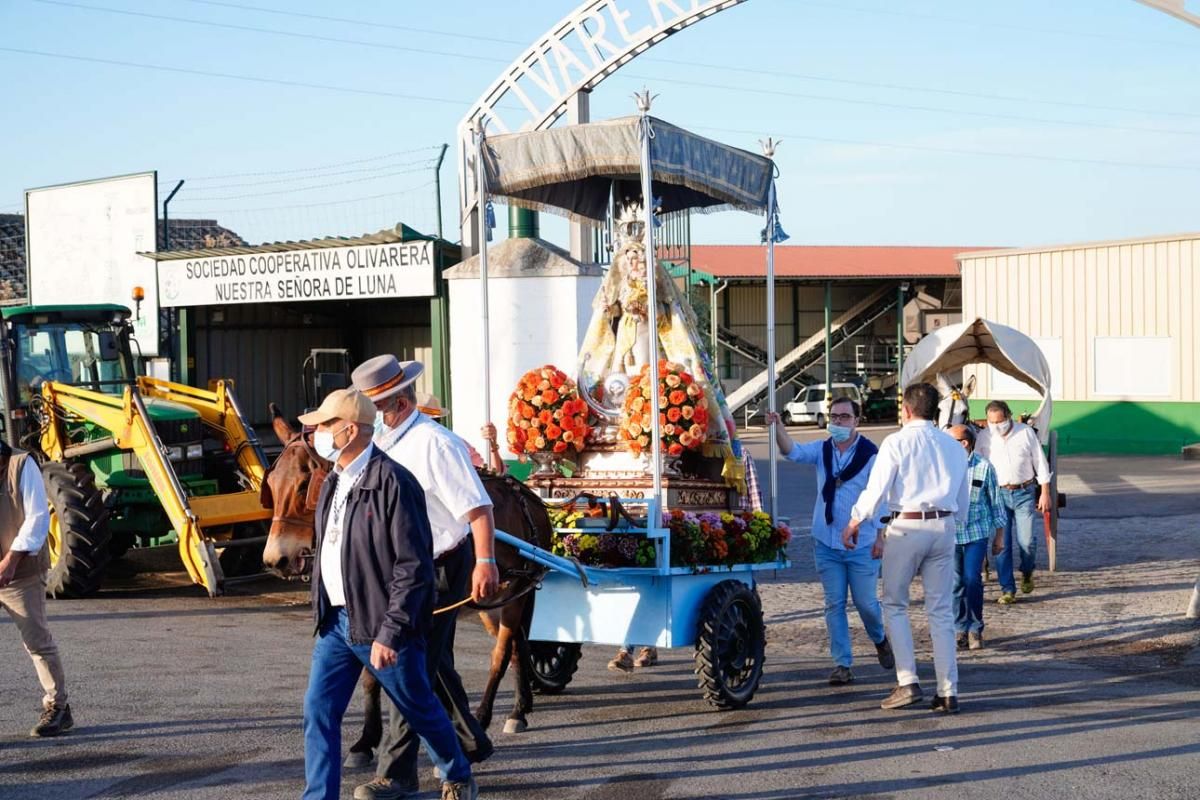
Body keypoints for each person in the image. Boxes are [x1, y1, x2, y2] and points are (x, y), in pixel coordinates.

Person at [298, 389, 476, 800]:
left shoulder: (394, 481)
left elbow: (413, 566)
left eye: (324, 425)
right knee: (318, 712)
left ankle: (457, 772)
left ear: (349, 430)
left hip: (380, 623)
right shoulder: (333, 482)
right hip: (337, 624)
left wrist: (391, 631)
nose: (317, 433)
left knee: (416, 704)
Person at [352, 357, 499, 800]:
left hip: (435, 568)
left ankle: (397, 775)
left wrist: (485, 561)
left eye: (375, 407)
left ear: (398, 403)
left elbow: (478, 508)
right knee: (430, 665)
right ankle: (470, 742)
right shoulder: (378, 441)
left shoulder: (435, 443)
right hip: (394, 572)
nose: (371, 416)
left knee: (406, 669)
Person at [842, 383, 969, 713]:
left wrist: (856, 520)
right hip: (945, 525)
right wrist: (957, 521)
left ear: (907, 409)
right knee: (941, 610)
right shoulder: (953, 445)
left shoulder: (896, 442)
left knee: (895, 604)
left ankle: (908, 681)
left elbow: (877, 488)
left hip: (907, 525)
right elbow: (963, 496)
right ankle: (947, 691)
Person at [767, 398, 895, 686]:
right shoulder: (823, 449)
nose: (839, 422)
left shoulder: (871, 455)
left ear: (857, 420)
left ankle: (879, 638)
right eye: (834, 417)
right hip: (826, 541)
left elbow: (881, 499)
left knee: (865, 603)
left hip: (861, 543)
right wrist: (778, 427)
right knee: (833, 604)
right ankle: (842, 664)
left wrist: (879, 537)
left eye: (845, 417)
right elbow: (793, 452)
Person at [0, 442, 72, 738]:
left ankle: (58, 708)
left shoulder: (22, 465)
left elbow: (37, 518)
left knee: (37, 642)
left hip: (21, 571)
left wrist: (11, 560)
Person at [976, 400, 1051, 604]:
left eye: (999, 421)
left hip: (1024, 492)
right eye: (992, 422)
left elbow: (1039, 462)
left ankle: (1027, 570)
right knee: (1002, 544)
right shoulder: (984, 437)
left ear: (1008, 416)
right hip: (998, 495)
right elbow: (977, 467)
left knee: (1026, 541)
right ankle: (1007, 588)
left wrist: (1045, 491)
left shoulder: (1025, 432)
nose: (996, 426)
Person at [947, 425, 1005, 650]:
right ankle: (959, 628)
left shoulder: (984, 467)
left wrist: (999, 536)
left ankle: (975, 628)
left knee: (972, 579)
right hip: (951, 535)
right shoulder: (944, 467)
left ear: (964, 443)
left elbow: (996, 503)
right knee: (955, 583)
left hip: (977, 533)